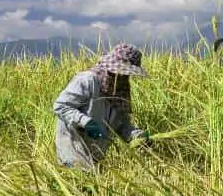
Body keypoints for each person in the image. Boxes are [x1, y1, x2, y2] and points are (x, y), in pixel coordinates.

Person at [53, 43, 153, 171]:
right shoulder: (87, 81)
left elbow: (122, 126)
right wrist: (85, 122)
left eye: (126, 74)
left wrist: (138, 136)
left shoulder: (119, 91)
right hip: (73, 148)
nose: (122, 76)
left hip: (96, 152)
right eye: (120, 72)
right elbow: (61, 106)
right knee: (79, 185)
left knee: (92, 186)